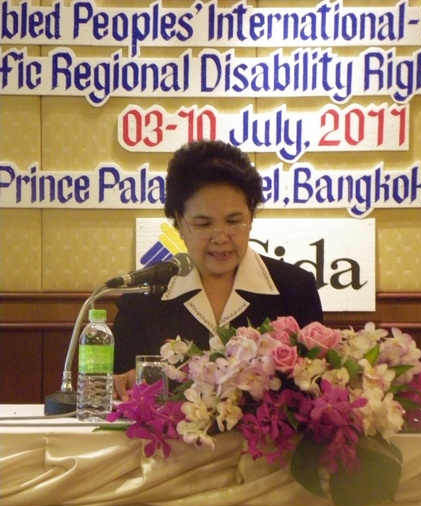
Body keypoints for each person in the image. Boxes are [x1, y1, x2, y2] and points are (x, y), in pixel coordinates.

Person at [113, 140, 323, 400]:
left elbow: (313, 386)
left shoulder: (294, 288)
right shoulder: (143, 297)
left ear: (251, 218)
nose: (221, 237)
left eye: (234, 221)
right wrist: (123, 383)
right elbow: (119, 390)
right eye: (203, 224)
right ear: (179, 222)